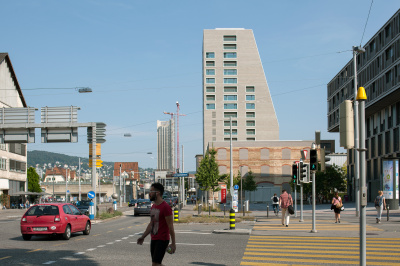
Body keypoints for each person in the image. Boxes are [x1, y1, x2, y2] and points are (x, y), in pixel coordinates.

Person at [137, 183, 176, 266]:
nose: (149, 193)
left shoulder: (165, 207)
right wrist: (143, 237)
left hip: (162, 239)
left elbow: (171, 227)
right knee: (156, 264)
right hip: (154, 238)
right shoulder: (154, 206)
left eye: (151, 191)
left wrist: (173, 243)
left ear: (157, 193)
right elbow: (151, 224)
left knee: (155, 264)